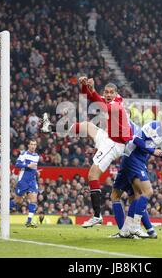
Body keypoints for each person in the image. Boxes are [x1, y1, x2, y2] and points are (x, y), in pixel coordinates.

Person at [43, 76, 133, 228]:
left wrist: (93, 90)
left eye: (111, 92)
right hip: (108, 136)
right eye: (106, 92)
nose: (108, 94)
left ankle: (97, 216)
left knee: (92, 175)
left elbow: (97, 101)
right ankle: (49, 127)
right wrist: (86, 86)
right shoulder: (114, 100)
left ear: (116, 93)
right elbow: (92, 96)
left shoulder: (116, 105)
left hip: (115, 144)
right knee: (85, 125)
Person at [111, 109, 162, 239]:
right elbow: (136, 140)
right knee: (147, 192)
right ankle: (136, 226)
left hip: (134, 160)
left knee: (128, 195)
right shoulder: (154, 125)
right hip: (134, 159)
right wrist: (153, 151)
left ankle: (125, 230)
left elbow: (149, 148)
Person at [14, 140, 40, 228]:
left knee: (33, 200)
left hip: (32, 181)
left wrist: (36, 172)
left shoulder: (37, 156)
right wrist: (27, 165)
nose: (33, 146)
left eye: (34, 145)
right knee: (18, 201)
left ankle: (29, 221)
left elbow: (34, 167)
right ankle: (4, 211)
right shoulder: (24, 154)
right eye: (31, 144)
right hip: (23, 181)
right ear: (28, 145)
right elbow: (17, 164)